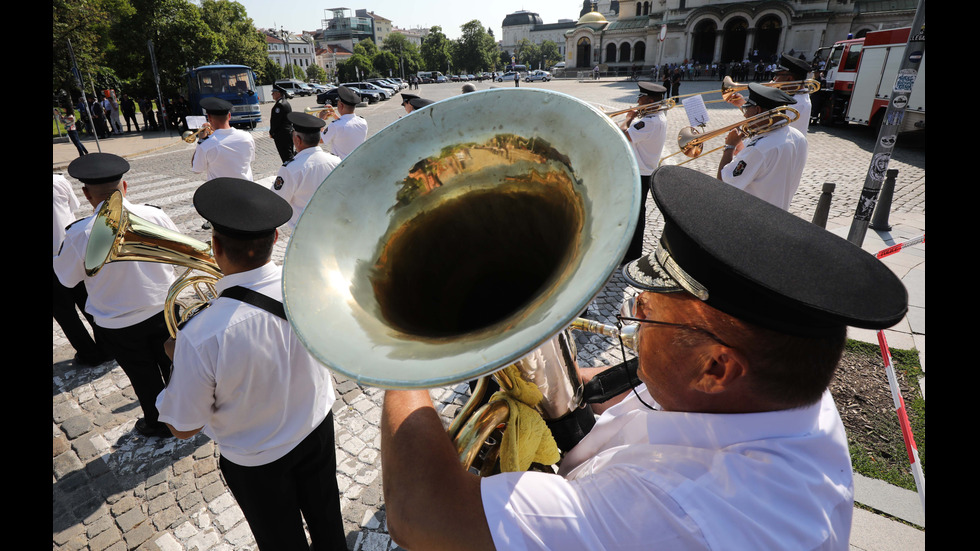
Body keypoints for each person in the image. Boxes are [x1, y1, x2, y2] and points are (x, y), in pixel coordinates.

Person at [378, 164, 909, 551]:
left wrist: (411, 357)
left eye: (647, 314)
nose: (632, 320)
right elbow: (633, 397)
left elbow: (423, 514)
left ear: (716, 368)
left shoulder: (675, 514)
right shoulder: (785, 397)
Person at [155, 177, 347, 550]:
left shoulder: (201, 335)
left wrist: (177, 357)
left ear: (214, 246)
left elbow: (183, 428)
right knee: (328, 521)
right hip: (317, 426)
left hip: (258, 462)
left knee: (281, 541)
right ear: (275, 240)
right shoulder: (309, 283)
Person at [53, 153, 178, 438]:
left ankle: (158, 423)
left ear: (86, 194)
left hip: (118, 325)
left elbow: (67, 280)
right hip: (164, 310)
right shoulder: (154, 214)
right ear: (126, 186)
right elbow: (175, 255)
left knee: (142, 376)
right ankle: (186, 413)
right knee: (175, 366)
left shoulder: (77, 235)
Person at [716, 82, 807, 211]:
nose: (745, 115)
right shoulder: (798, 137)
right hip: (781, 214)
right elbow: (768, 169)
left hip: (754, 218)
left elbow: (723, 182)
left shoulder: (759, 148)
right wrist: (743, 151)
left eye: (747, 110)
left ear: (758, 110)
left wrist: (729, 147)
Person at [53, 173, 109, 366]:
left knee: (64, 314)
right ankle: (108, 347)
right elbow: (72, 207)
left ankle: (89, 354)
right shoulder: (58, 181)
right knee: (89, 301)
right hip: (70, 250)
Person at [620, 81, 669, 264]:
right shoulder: (659, 116)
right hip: (644, 169)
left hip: (640, 172)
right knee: (636, 211)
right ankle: (630, 250)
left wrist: (629, 116)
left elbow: (623, 132)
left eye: (640, 98)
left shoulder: (649, 122)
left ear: (649, 99)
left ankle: (632, 253)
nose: (638, 102)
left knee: (635, 213)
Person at [272, 112, 341, 231]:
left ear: (297, 140)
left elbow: (277, 202)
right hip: (333, 228)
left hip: (304, 233)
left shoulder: (290, 169)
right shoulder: (336, 161)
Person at [728, 54, 813, 136]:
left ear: (789, 78)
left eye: (777, 75)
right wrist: (741, 104)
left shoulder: (796, 102)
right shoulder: (798, 95)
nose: (774, 79)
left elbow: (762, 122)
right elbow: (761, 116)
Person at [190, 97, 256, 182]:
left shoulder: (206, 144)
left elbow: (197, 169)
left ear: (209, 118)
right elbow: (249, 160)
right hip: (246, 189)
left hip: (221, 192)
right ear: (229, 116)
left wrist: (201, 140)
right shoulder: (247, 137)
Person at [319, 86, 368, 160]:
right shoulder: (362, 121)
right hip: (358, 163)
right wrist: (334, 115)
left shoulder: (335, 126)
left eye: (337, 103)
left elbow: (320, 139)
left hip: (341, 167)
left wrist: (321, 120)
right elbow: (345, 125)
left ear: (341, 105)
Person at [269, 85, 294, 163]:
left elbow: (276, 121)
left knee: (286, 157)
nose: (272, 94)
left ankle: (290, 172)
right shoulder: (285, 102)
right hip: (287, 132)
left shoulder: (279, 105)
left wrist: (271, 132)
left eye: (274, 93)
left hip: (282, 134)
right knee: (289, 154)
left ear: (278, 94)